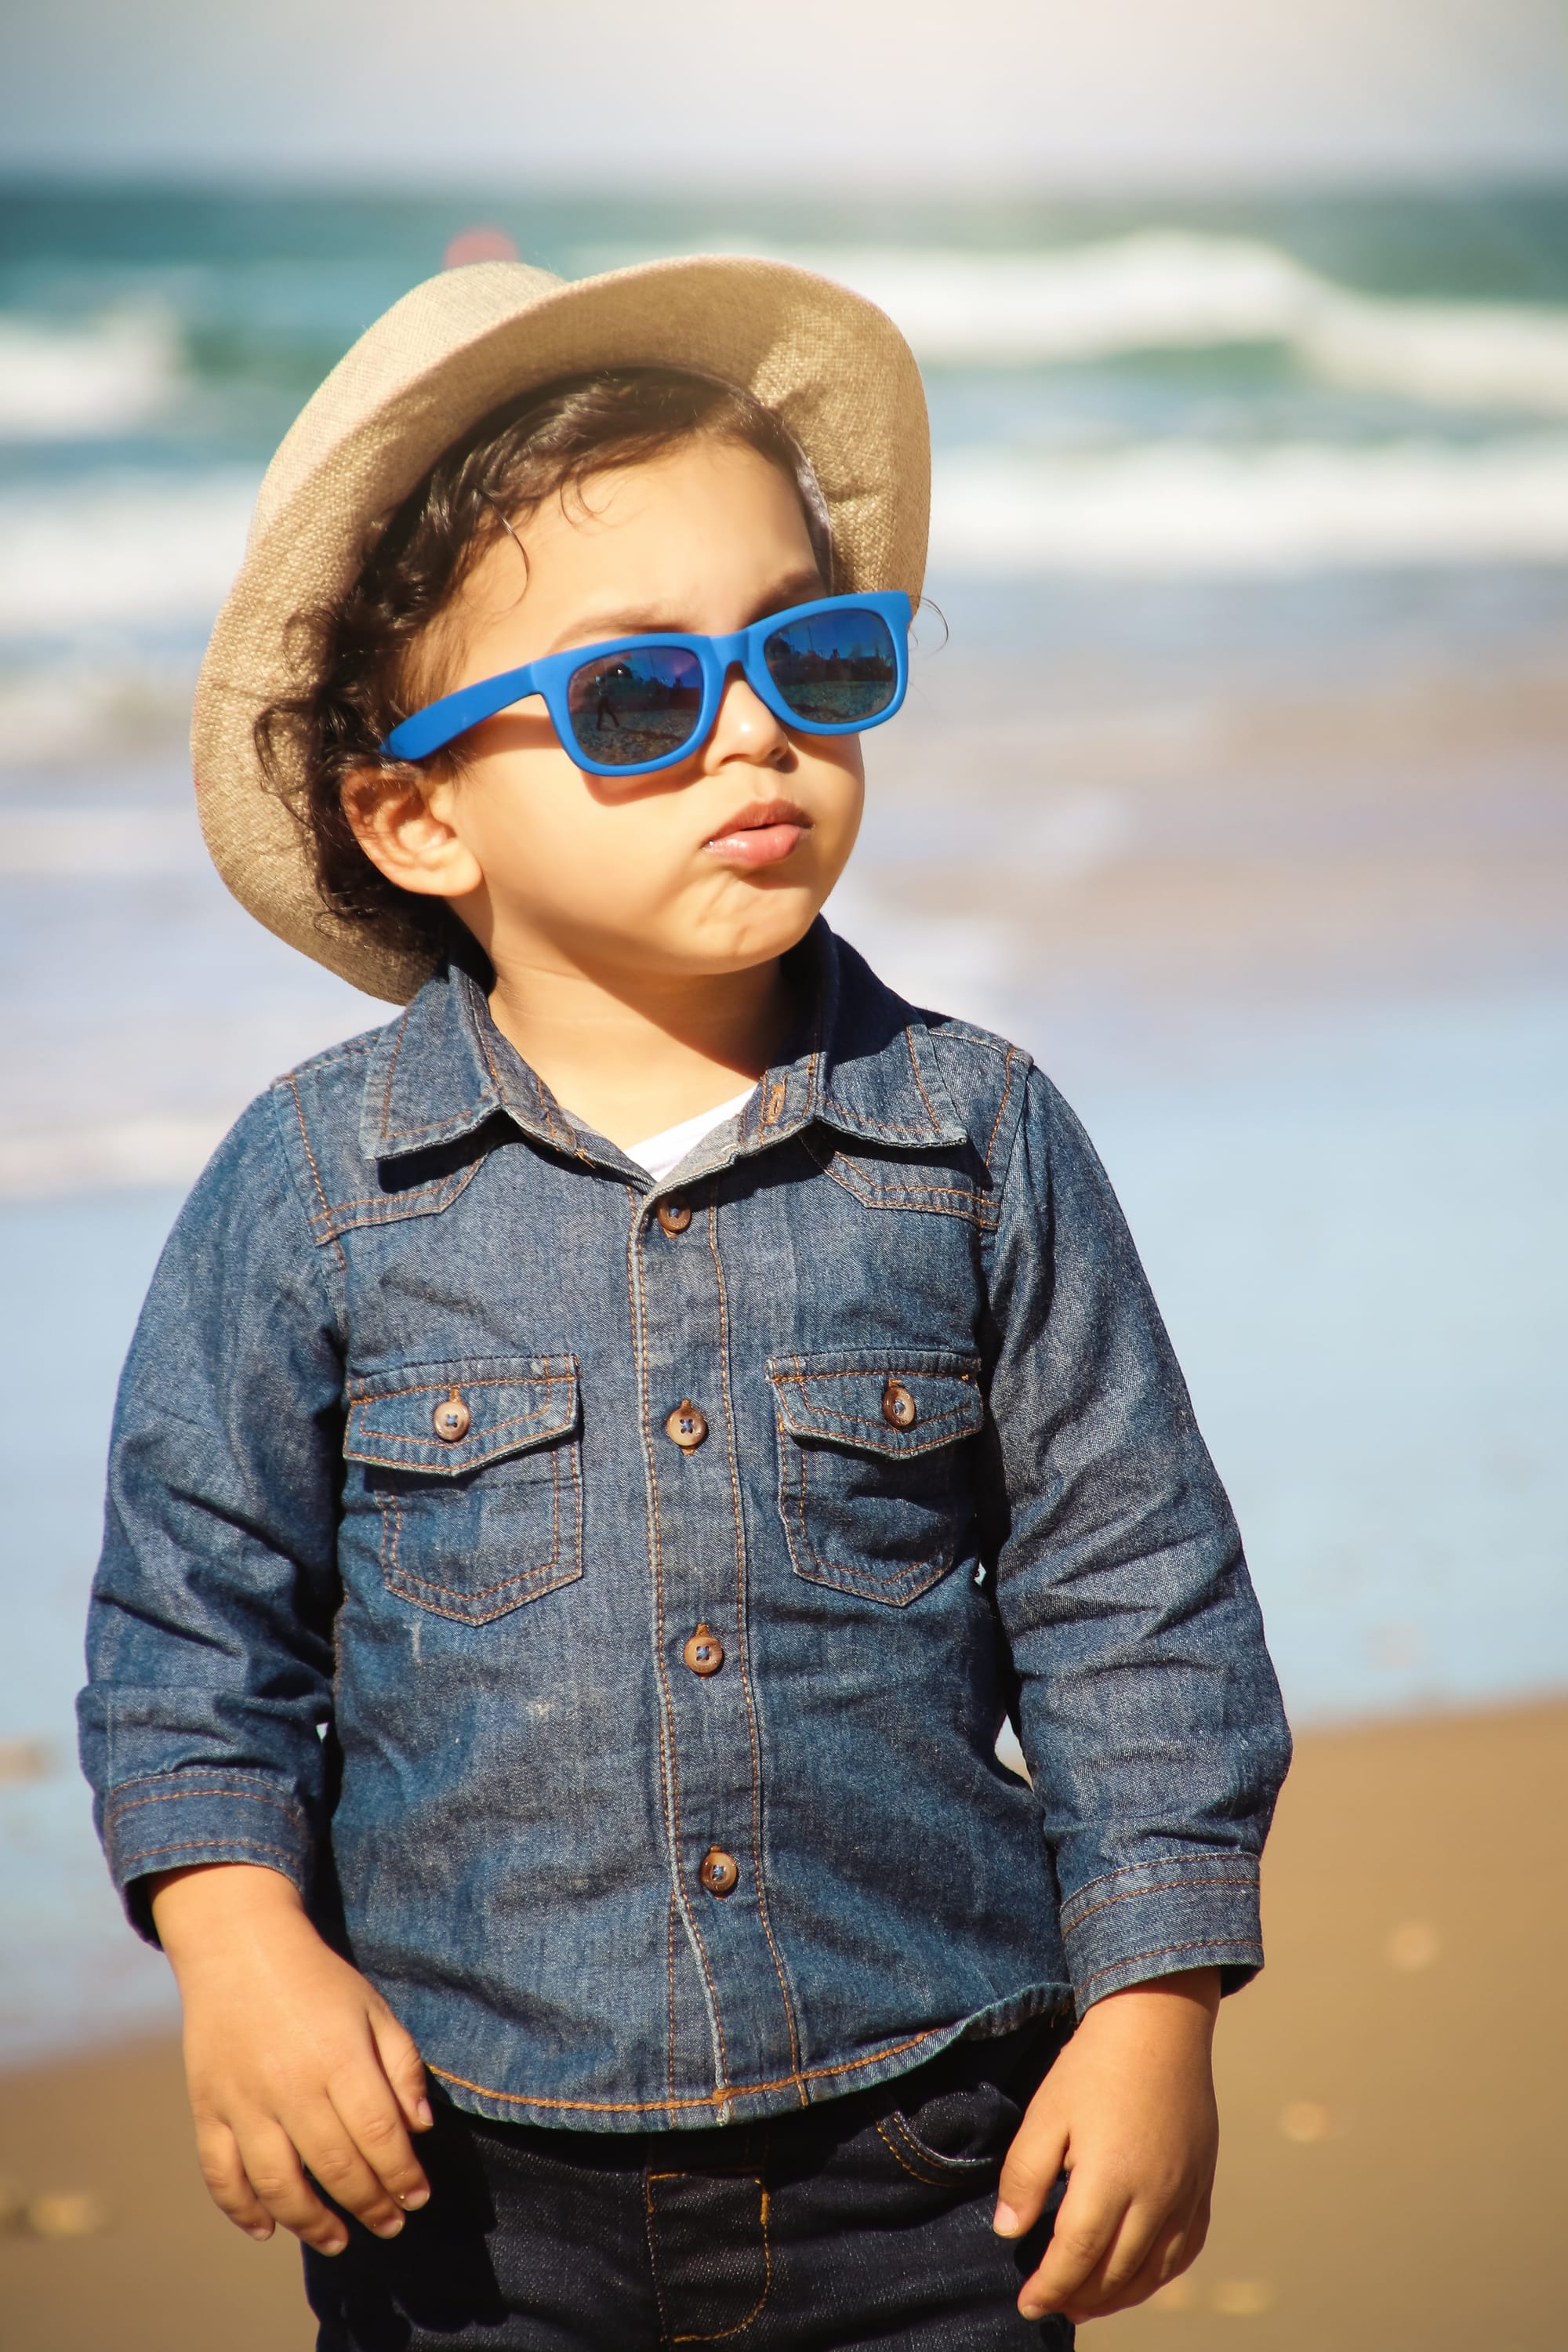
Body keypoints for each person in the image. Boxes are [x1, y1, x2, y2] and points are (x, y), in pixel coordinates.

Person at [78, 254, 1291, 2350]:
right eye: (636, 694)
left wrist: (1157, 2008)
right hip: (465, 2188)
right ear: (417, 814)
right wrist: (241, 1945)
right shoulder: (317, 1191)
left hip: (934, 2150)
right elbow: (193, 1626)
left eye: (813, 657)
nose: (755, 729)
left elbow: (1135, 1596)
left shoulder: (975, 1140)